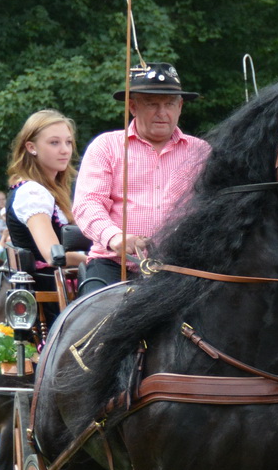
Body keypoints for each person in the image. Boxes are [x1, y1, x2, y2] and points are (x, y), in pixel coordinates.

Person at [73, 61, 210, 296]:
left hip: (181, 268)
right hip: (114, 266)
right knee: (96, 325)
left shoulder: (202, 153)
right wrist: (115, 237)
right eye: (152, 104)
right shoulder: (106, 147)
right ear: (133, 106)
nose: (162, 112)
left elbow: (214, 206)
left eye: (169, 104)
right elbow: (87, 204)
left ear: (180, 107)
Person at [5, 109, 87, 290]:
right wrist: (94, 260)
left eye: (68, 142)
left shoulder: (51, 189)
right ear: (31, 147)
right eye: (54, 143)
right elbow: (53, 254)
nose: (65, 150)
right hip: (50, 292)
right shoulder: (32, 192)